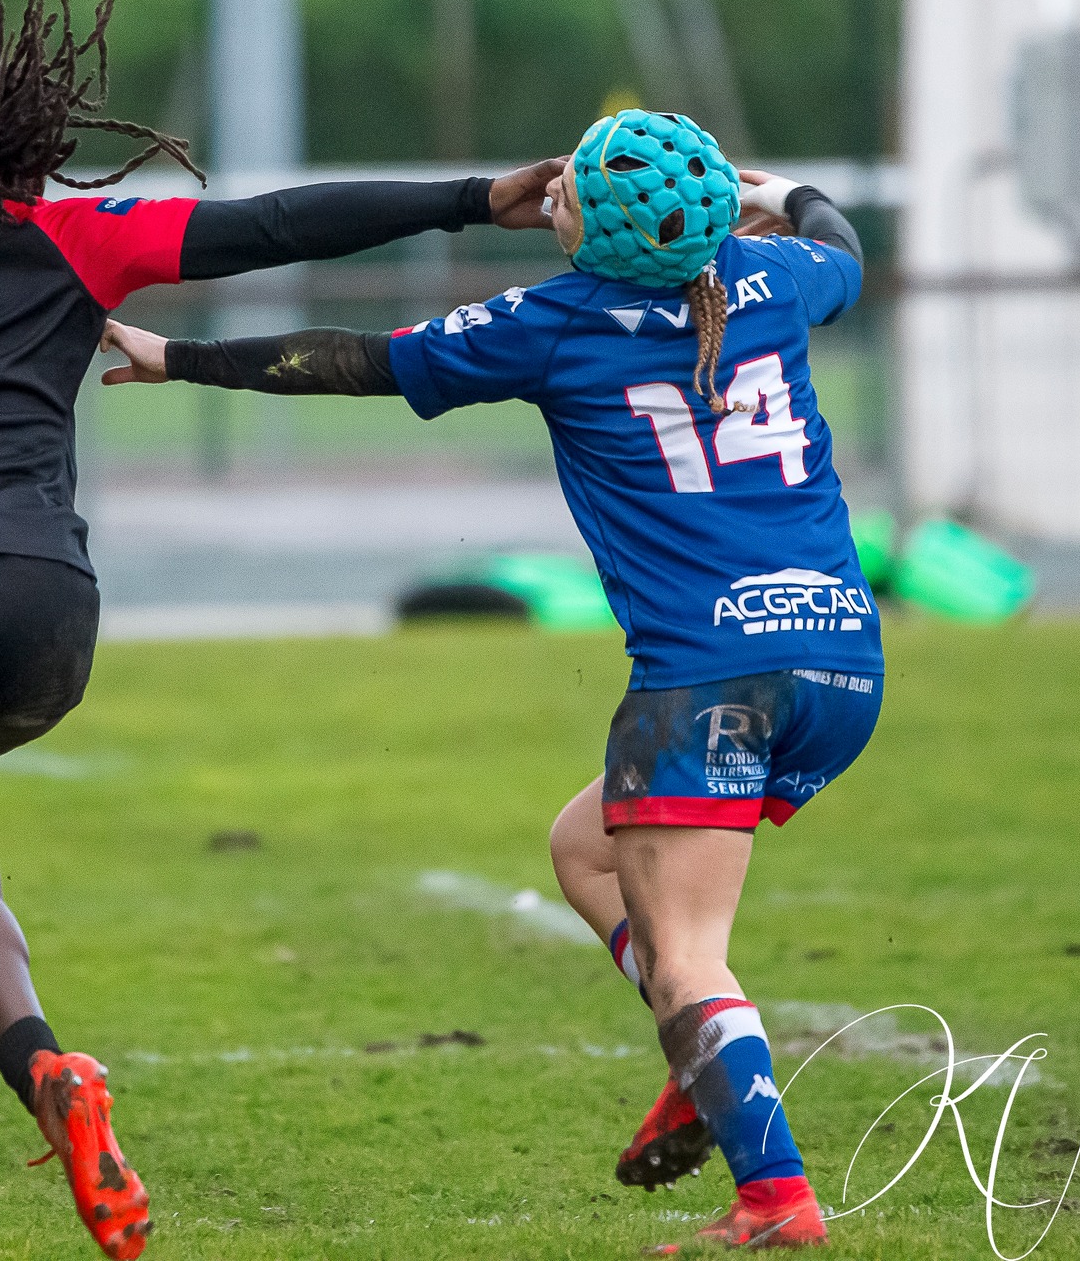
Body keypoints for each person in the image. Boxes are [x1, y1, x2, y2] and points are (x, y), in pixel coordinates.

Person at [0, 0, 562, 1261]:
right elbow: (281, 225)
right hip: (50, 601)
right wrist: (475, 197)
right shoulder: (80, 239)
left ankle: (51, 1070)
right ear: (48, 157)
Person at [99, 108, 882, 1251]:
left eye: (572, 186)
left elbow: (356, 362)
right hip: (841, 666)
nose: (557, 191)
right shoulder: (776, 274)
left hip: (708, 677)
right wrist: (788, 192)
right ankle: (703, 1056)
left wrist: (177, 358)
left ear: (591, 228)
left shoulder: (554, 321)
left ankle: (774, 1195)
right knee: (582, 849)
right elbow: (845, 251)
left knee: (688, 955)